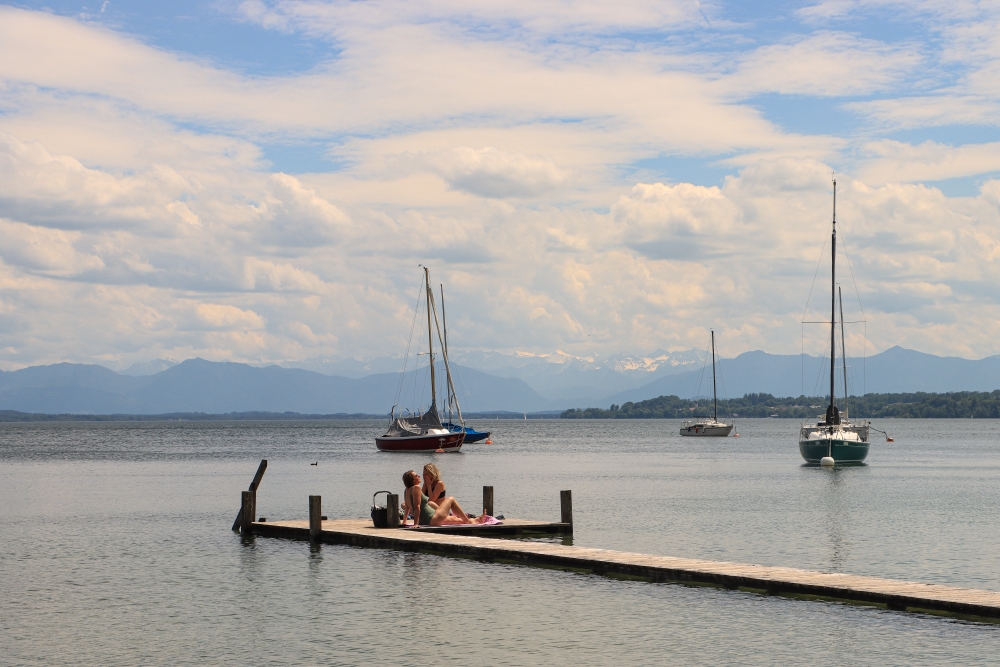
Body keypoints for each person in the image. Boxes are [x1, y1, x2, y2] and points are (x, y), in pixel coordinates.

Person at [401, 470, 486, 527]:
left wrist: (404, 522)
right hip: (432, 518)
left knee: (455, 520)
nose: (419, 476)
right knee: (451, 499)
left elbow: (408, 508)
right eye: (416, 476)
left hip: (427, 519)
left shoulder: (407, 490)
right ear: (412, 480)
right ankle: (469, 521)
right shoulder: (416, 488)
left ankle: (476, 520)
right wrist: (415, 524)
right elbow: (417, 507)